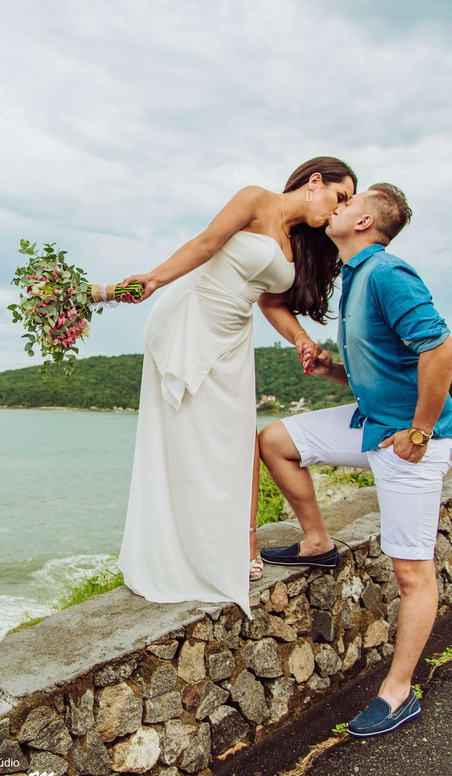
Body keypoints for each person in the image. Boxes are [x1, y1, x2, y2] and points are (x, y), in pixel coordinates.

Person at [258, 182, 452, 736]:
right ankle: (316, 543)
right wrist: (332, 371)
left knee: (412, 572)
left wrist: (419, 433)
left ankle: (398, 693)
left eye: (349, 202)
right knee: (275, 440)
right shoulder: (356, 277)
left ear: (366, 222)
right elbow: (385, 369)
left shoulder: (388, 274)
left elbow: (440, 349)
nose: (338, 205)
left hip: (411, 442)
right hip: (373, 423)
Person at [114, 157, 356, 619]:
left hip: (234, 335)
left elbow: (271, 302)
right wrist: (154, 278)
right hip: (193, 318)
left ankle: (242, 541)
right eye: (339, 196)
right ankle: (179, 550)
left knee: (239, 436)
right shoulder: (255, 199)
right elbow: (205, 244)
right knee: (183, 437)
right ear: (315, 181)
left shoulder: (300, 243)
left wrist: (301, 338)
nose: (339, 208)